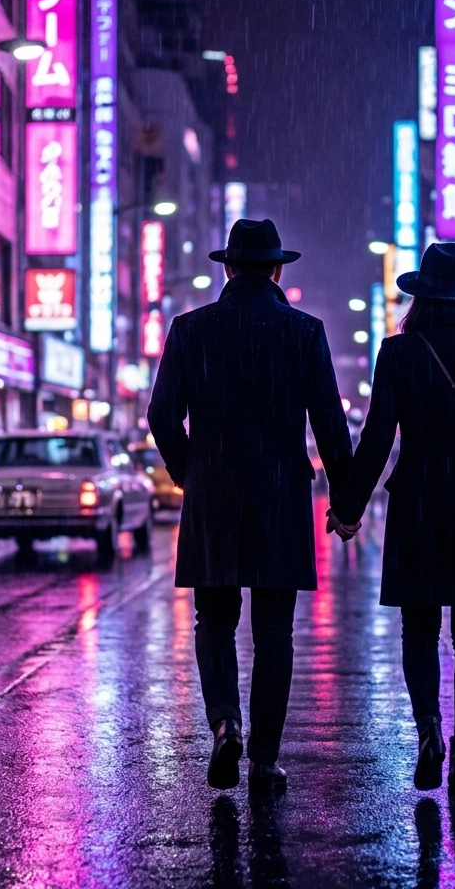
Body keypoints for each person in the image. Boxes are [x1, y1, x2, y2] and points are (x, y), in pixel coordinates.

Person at [147, 218, 354, 793]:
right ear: (278, 270)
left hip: (214, 494)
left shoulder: (191, 331)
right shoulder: (303, 332)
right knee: (274, 633)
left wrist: (194, 472)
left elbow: (162, 417)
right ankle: (264, 759)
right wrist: (346, 500)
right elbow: (331, 428)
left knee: (214, 620)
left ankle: (224, 725)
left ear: (227, 268)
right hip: (281, 494)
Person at [329, 243, 455, 797]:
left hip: (417, 497)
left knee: (418, 629)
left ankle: (429, 736)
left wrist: (348, 508)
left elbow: (375, 440)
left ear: (418, 299)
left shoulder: (399, 354)